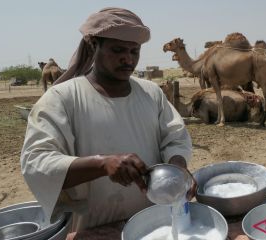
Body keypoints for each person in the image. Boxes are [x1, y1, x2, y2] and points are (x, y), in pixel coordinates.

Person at [20, 7, 194, 233]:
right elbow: (37, 163)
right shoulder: (62, 99)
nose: (128, 58)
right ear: (94, 45)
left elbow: (175, 136)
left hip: (156, 226)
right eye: (118, 50)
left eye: (134, 51)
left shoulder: (151, 93)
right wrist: (102, 164)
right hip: (94, 229)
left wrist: (177, 167)